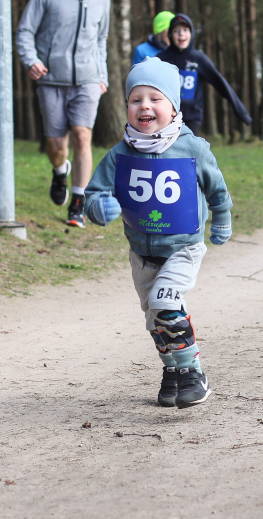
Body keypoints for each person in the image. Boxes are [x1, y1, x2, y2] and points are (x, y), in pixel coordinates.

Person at [83, 58, 232, 409]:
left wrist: (222, 220)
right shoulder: (119, 154)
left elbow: (217, 189)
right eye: (136, 100)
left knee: (166, 303)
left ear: (173, 106)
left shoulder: (192, 148)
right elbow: (94, 194)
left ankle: (194, 372)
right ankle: (173, 371)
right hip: (142, 254)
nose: (145, 106)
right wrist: (99, 207)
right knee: (154, 319)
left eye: (155, 98)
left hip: (184, 247)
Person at [15, 0, 111, 228]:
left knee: (82, 136)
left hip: (88, 81)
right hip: (51, 80)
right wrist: (30, 60)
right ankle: (60, 171)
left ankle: (77, 205)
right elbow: (25, 30)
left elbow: (101, 40)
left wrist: (102, 75)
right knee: (57, 145)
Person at [155, 14, 251, 137]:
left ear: (192, 33)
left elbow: (221, 83)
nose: (181, 34)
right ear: (170, 35)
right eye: (176, 31)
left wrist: (242, 114)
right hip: (167, 117)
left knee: (189, 154)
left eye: (185, 30)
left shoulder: (199, 59)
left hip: (192, 118)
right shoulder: (161, 59)